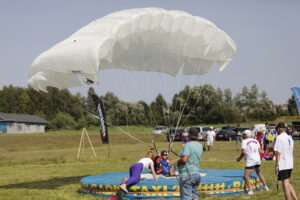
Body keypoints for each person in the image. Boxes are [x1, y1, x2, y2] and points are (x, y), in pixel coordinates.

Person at [236, 130, 269, 195]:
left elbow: (243, 152)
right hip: (257, 159)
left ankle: (250, 191)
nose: (242, 135)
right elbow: (260, 151)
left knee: (246, 176)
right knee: (259, 173)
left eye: (243, 134)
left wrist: (239, 158)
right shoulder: (256, 140)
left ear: (246, 135)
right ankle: (266, 187)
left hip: (251, 160)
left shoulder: (244, 141)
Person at [176, 127, 203, 200]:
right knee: (195, 197)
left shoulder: (188, 145)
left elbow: (184, 159)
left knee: (186, 197)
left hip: (187, 175)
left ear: (189, 135)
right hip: (196, 174)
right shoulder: (200, 145)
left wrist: (178, 162)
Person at [274, 123, 298, 200]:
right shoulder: (289, 137)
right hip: (289, 163)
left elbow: (278, 153)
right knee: (287, 181)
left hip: (283, 164)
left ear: (280, 129)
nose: (276, 131)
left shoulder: (279, 137)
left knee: (285, 185)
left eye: (276, 129)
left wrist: (277, 165)